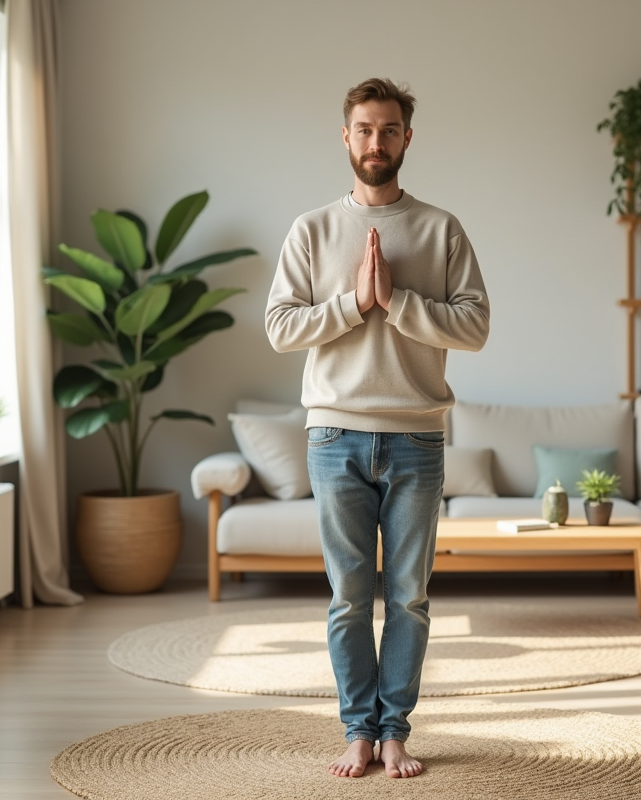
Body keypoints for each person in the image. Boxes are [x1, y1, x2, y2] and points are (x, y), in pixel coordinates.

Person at [265, 77, 490, 779]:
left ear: (406, 139)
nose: (376, 142)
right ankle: (357, 732)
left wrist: (396, 302)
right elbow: (279, 328)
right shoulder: (310, 230)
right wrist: (354, 301)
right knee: (347, 598)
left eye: (389, 130)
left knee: (410, 597)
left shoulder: (440, 228)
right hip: (334, 437)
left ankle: (396, 732)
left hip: (417, 437)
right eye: (364, 129)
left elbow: (475, 326)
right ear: (346, 136)